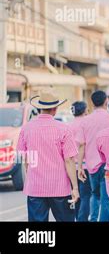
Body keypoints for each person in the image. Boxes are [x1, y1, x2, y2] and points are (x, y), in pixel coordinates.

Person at [17, 90, 79, 222]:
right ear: (55, 109)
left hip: (35, 188)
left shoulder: (26, 129)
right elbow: (69, 160)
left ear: (39, 108)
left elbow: (26, 159)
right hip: (60, 188)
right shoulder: (63, 129)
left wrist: (31, 177)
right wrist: (75, 187)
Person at [77, 90, 109, 222]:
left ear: (92, 103)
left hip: (91, 165)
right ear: (106, 101)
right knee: (106, 199)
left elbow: (82, 146)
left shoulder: (85, 121)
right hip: (108, 164)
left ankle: (93, 219)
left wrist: (80, 167)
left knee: (95, 196)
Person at [68, 101, 91, 222]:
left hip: (71, 166)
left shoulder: (68, 126)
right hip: (85, 166)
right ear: (84, 110)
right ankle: (82, 219)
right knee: (86, 195)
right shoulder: (87, 124)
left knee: (75, 195)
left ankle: (77, 218)